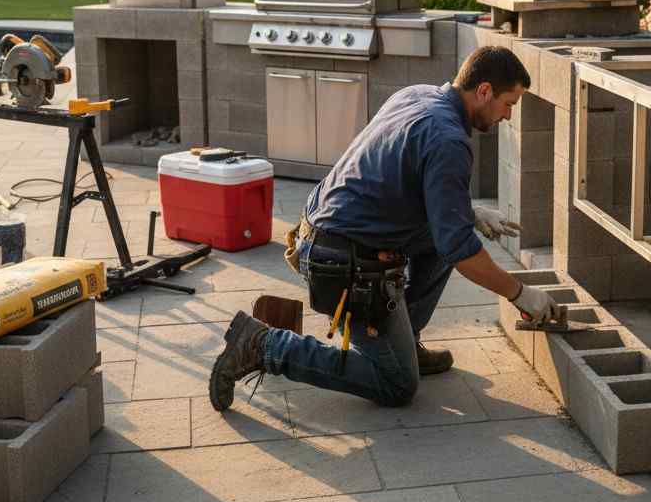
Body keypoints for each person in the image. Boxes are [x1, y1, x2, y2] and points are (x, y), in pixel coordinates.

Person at [208, 45, 561, 411]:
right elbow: (461, 252)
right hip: (343, 263)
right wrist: (520, 293)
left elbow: (397, 180)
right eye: (509, 104)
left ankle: (403, 341)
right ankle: (262, 345)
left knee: (445, 236)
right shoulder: (449, 140)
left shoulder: (417, 96)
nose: (507, 116)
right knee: (396, 385)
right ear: (484, 91)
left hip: (322, 234)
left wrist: (467, 214)